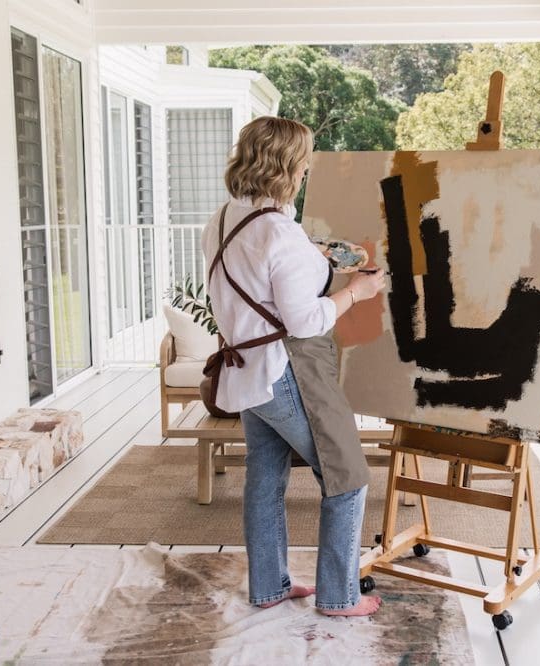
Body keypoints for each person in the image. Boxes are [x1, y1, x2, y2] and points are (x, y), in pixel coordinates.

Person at [201, 116, 386, 616]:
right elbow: (305, 322)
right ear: (286, 167)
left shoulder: (221, 220)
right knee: (347, 478)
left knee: (265, 478)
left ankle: (269, 587)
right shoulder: (281, 235)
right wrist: (357, 291)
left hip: (243, 375)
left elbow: (259, 277)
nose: (306, 171)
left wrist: (317, 256)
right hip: (280, 373)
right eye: (302, 163)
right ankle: (339, 598)